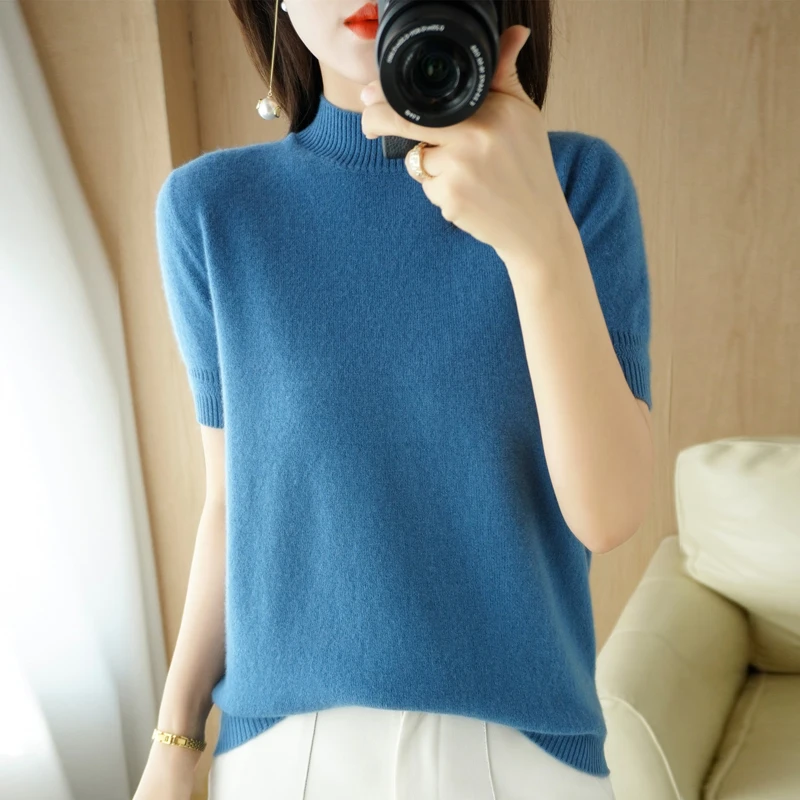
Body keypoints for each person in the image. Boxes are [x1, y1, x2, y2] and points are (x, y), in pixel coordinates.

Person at [134, 0, 654, 797]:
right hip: (288, 759)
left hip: (525, 757)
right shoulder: (212, 208)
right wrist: (173, 747)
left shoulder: (578, 185)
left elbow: (609, 514)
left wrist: (537, 239)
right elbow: (234, 505)